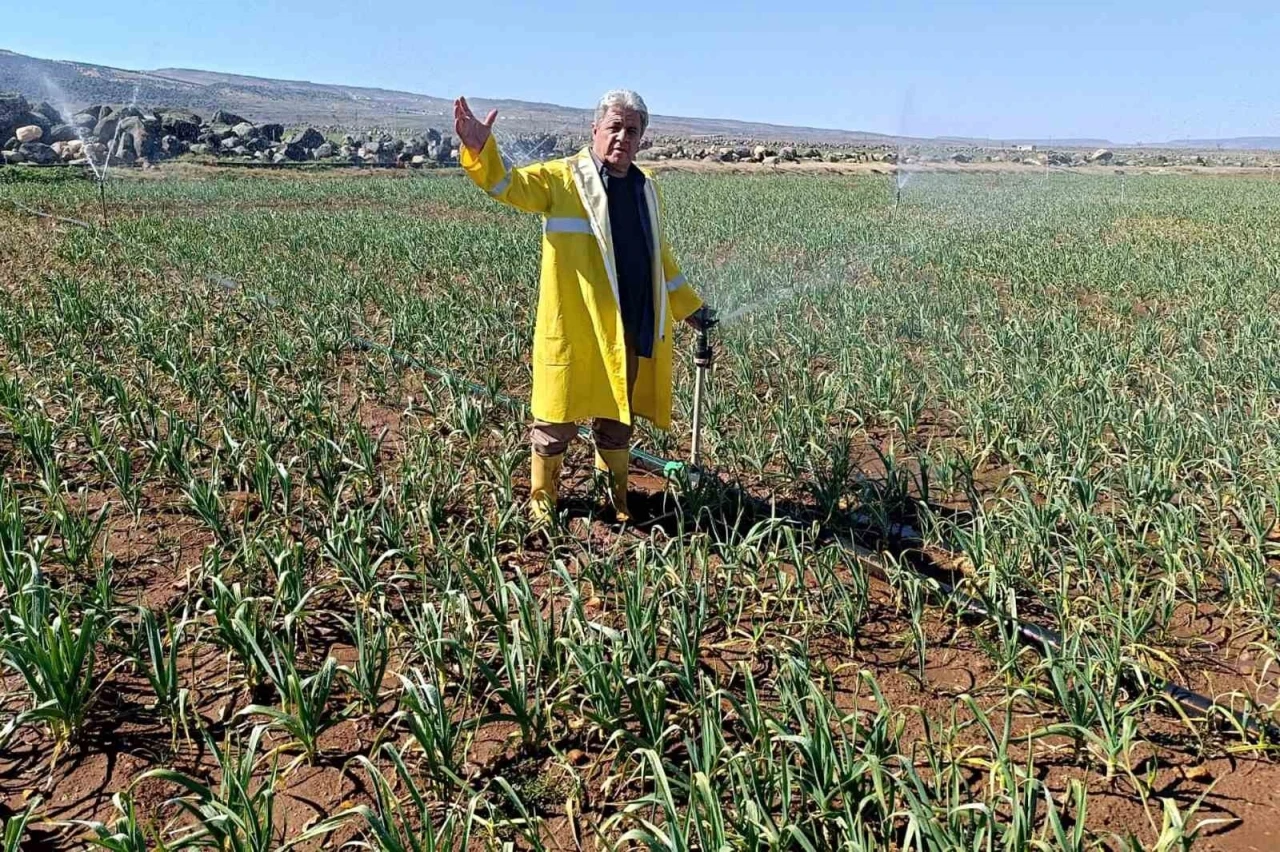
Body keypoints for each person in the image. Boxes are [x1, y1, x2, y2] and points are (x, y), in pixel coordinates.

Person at [454, 88, 706, 523]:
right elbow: (509, 185)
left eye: (632, 130)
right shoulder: (562, 179)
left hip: (628, 325)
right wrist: (480, 149)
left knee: (617, 418)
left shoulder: (648, 190)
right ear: (595, 130)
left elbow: (658, 259)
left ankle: (617, 504)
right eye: (614, 127)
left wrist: (690, 307)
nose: (622, 137)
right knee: (555, 422)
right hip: (574, 326)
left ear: (642, 138)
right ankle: (541, 504)